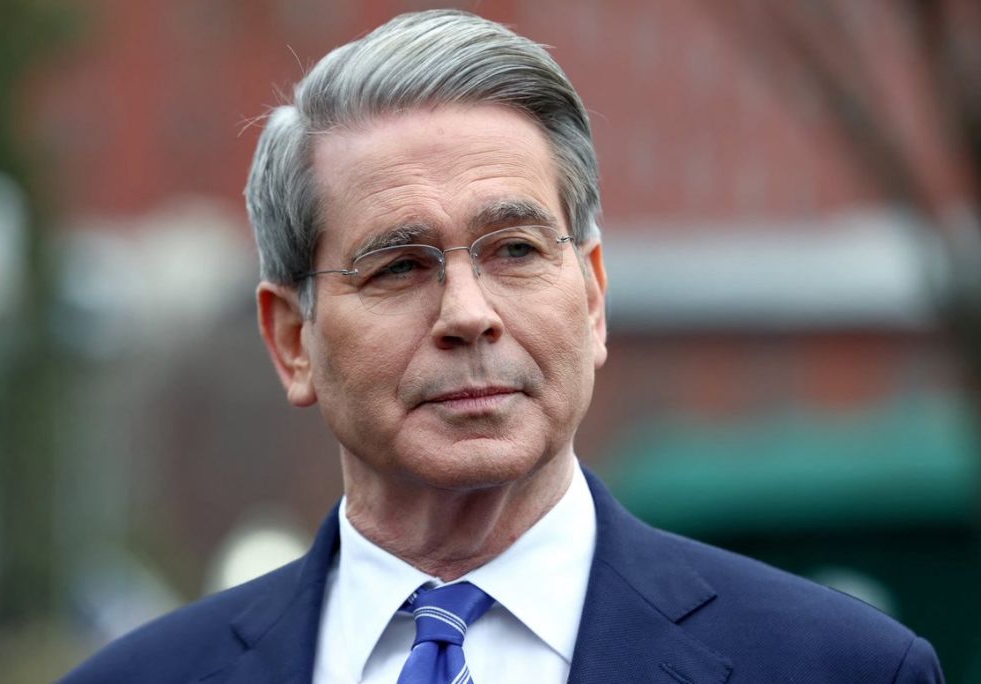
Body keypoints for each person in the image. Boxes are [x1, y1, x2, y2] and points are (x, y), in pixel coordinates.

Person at [61, 9, 945, 683]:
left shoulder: (839, 667)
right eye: (399, 267)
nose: (468, 313)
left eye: (515, 251)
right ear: (293, 341)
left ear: (593, 297)